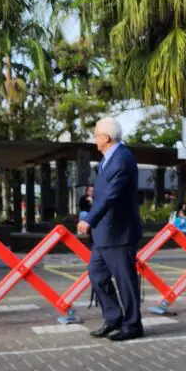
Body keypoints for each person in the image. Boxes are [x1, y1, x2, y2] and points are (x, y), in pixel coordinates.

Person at [78, 117, 144, 342]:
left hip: (119, 232)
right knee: (97, 275)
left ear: (105, 137)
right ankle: (113, 317)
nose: (94, 139)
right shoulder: (109, 159)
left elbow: (111, 196)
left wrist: (89, 220)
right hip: (104, 233)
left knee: (125, 281)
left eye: (96, 135)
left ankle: (132, 324)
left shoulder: (122, 160)